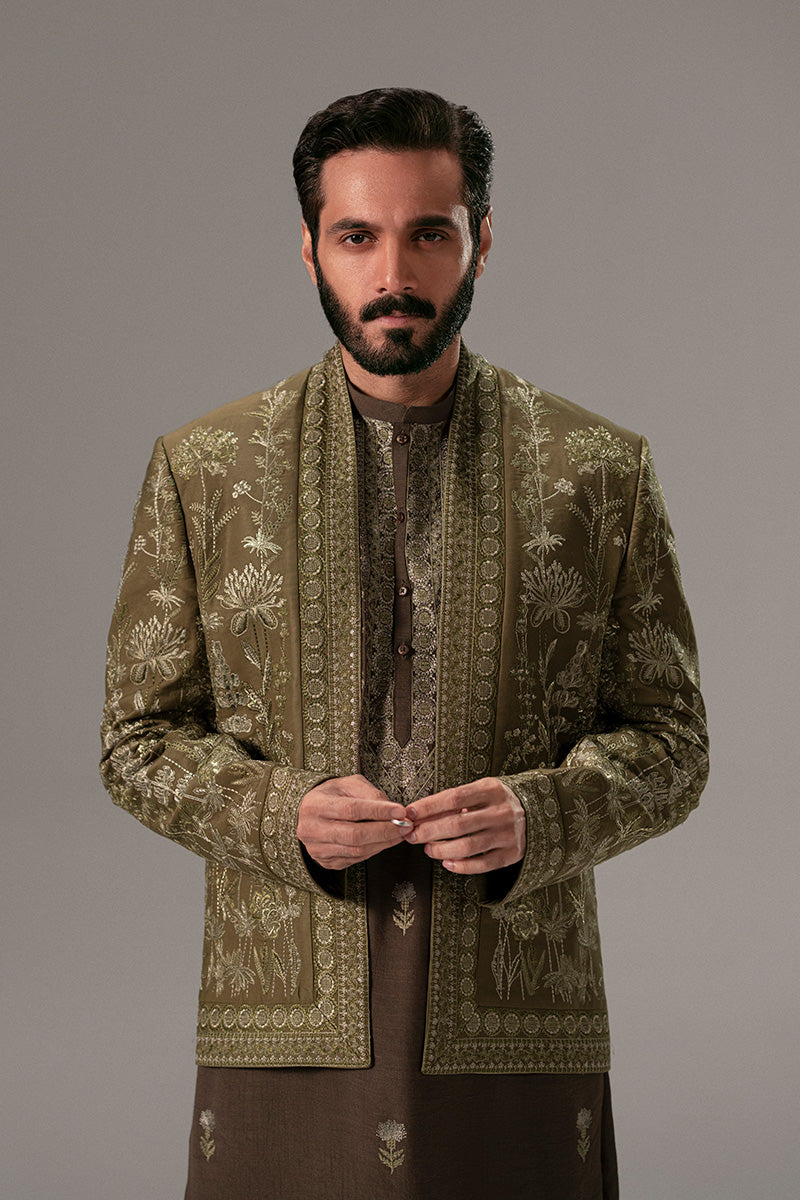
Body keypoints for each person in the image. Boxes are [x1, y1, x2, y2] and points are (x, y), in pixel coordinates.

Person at [100, 88, 708, 1199]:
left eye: (429, 233)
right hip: (284, 1011)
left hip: (516, 1003)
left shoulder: (597, 469)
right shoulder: (205, 468)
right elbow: (137, 742)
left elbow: (672, 743)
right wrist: (278, 813)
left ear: (482, 239)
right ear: (308, 248)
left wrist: (540, 815)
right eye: (357, 237)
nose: (393, 273)